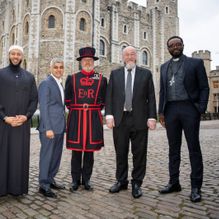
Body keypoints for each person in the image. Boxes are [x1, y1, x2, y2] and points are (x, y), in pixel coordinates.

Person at [158, 36, 209, 202]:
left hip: (189, 108)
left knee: (193, 148)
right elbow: (162, 92)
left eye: (178, 44)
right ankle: (174, 182)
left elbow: (204, 87)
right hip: (171, 109)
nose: (175, 47)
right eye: (171, 46)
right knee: (173, 149)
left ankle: (196, 186)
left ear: (183, 45)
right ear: (168, 48)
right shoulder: (165, 66)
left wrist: (200, 108)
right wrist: (161, 112)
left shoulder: (195, 63)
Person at [0, 45, 38, 206]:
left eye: (18, 54)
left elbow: (33, 100)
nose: (15, 56)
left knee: (18, 156)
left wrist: (26, 116)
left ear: (22, 57)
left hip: (21, 124)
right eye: (13, 54)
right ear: (9, 55)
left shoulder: (29, 77)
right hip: (2, 123)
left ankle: (17, 188)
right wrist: (4, 117)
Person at [105, 46, 157, 198]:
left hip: (139, 119)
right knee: (121, 152)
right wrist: (109, 115)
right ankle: (121, 181)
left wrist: (152, 117)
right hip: (120, 119)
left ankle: (136, 183)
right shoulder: (115, 74)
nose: (129, 57)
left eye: (132, 54)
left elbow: (151, 97)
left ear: (136, 56)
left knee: (139, 154)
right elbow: (110, 96)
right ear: (122, 57)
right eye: (126, 54)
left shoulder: (146, 74)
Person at [65, 47, 107, 191]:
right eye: (85, 60)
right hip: (76, 117)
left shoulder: (101, 79)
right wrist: (78, 109)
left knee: (89, 151)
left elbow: (103, 100)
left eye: (90, 60)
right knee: (76, 151)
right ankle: (75, 180)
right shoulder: (72, 78)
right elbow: (68, 100)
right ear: (81, 61)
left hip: (93, 118)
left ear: (93, 62)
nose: (87, 62)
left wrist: (93, 109)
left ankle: (87, 180)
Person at [37, 58, 66, 198]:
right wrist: (48, 128)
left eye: (61, 67)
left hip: (59, 126)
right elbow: (43, 107)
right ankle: (43, 185)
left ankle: (50, 179)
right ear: (50, 68)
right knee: (47, 157)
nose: (58, 69)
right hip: (49, 128)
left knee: (56, 157)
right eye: (55, 67)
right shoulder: (46, 83)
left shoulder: (60, 83)